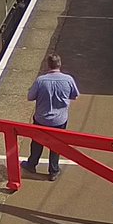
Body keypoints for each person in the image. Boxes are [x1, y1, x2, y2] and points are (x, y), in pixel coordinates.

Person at [22, 53, 80, 181]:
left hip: (41, 119)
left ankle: (31, 165)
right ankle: (53, 171)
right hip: (60, 120)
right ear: (60, 64)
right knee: (56, 144)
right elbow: (75, 96)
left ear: (48, 65)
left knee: (37, 143)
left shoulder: (40, 81)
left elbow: (30, 97)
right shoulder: (68, 80)